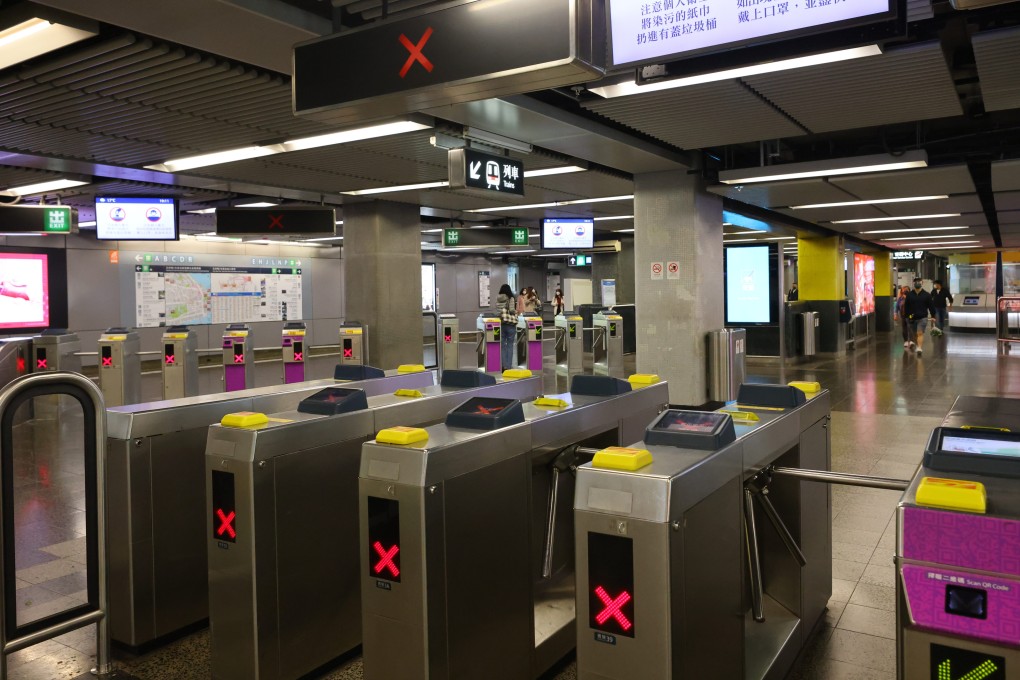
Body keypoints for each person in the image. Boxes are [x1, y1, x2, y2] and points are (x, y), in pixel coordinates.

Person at [903, 277, 936, 356]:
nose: (917, 283)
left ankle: (919, 347)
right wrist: (907, 316)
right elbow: (906, 306)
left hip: (923, 317)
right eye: (916, 282)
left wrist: (933, 316)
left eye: (919, 282)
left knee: (919, 333)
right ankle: (917, 344)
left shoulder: (927, 295)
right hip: (912, 317)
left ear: (922, 283)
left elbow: (931, 306)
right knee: (915, 333)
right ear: (913, 284)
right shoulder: (909, 295)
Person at [497, 284, 518, 370]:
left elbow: (499, 311)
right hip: (510, 324)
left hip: (501, 323)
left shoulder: (498, 298)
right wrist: (516, 312)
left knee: (502, 345)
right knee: (510, 345)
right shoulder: (510, 298)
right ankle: (508, 366)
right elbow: (512, 310)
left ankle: (503, 365)